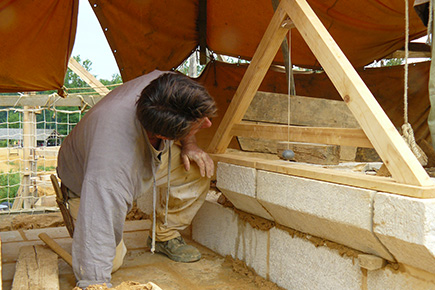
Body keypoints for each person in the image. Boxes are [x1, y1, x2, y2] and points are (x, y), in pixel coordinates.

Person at [57, 70, 217, 289]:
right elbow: (99, 223)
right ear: (164, 136)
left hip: (139, 155)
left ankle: (163, 235)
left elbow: (187, 111)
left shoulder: (168, 86)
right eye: (199, 124)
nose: (208, 123)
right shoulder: (112, 162)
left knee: (198, 168)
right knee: (109, 260)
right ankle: (78, 218)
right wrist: (94, 283)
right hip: (84, 182)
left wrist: (190, 145)